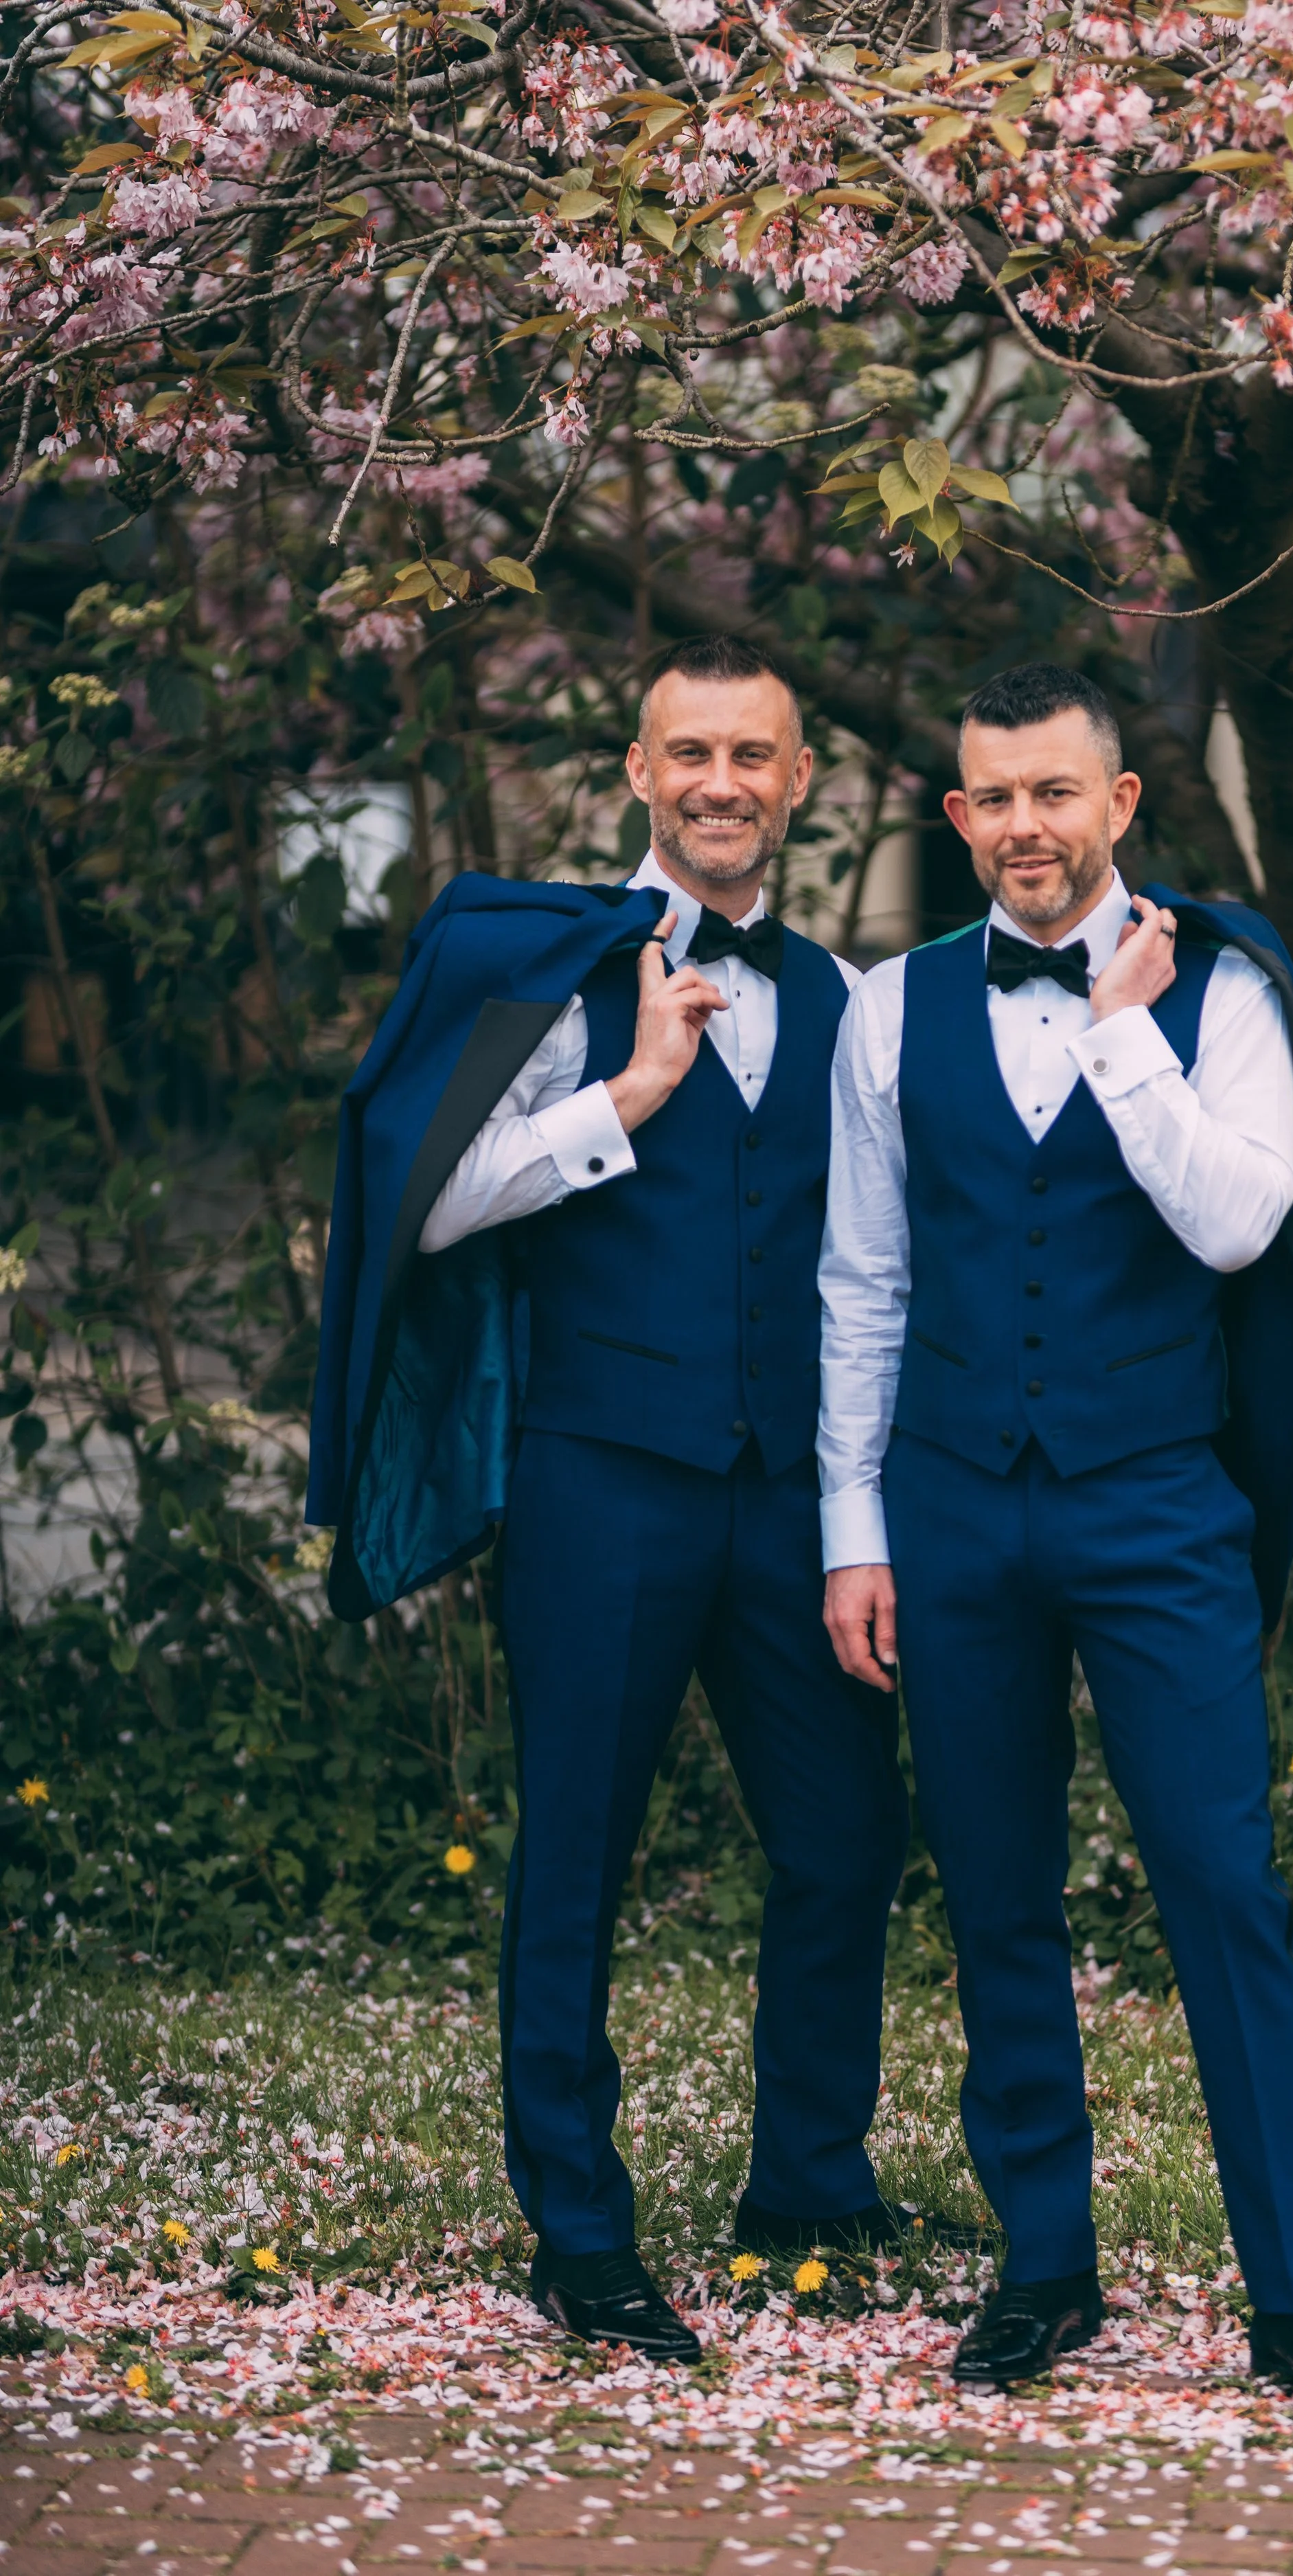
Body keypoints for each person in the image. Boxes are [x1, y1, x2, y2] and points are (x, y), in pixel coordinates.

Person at [818, 662, 1293, 2430]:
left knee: (1221, 1891)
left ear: (1119, 802)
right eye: (991, 797)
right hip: (949, 1502)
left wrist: (1114, 1034)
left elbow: (1240, 1222)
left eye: (1053, 794)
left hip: (1156, 1506)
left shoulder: (1218, 992)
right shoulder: (885, 1008)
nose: (1021, 827)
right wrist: (856, 1529)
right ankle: (1043, 2267)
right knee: (995, 1890)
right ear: (956, 814)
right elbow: (865, 1279)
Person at [399, 635, 940, 2361]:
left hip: (790, 1499)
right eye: (688, 752)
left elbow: (881, 1264)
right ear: (639, 772)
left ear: (797, 785)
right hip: (600, 1484)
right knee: (574, 1854)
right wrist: (622, 1098)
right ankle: (578, 2226)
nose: (722, 782)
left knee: (845, 1842)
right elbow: (427, 1204)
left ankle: (807, 2185)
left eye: (755, 756)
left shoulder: (852, 1002)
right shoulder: (560, 971)